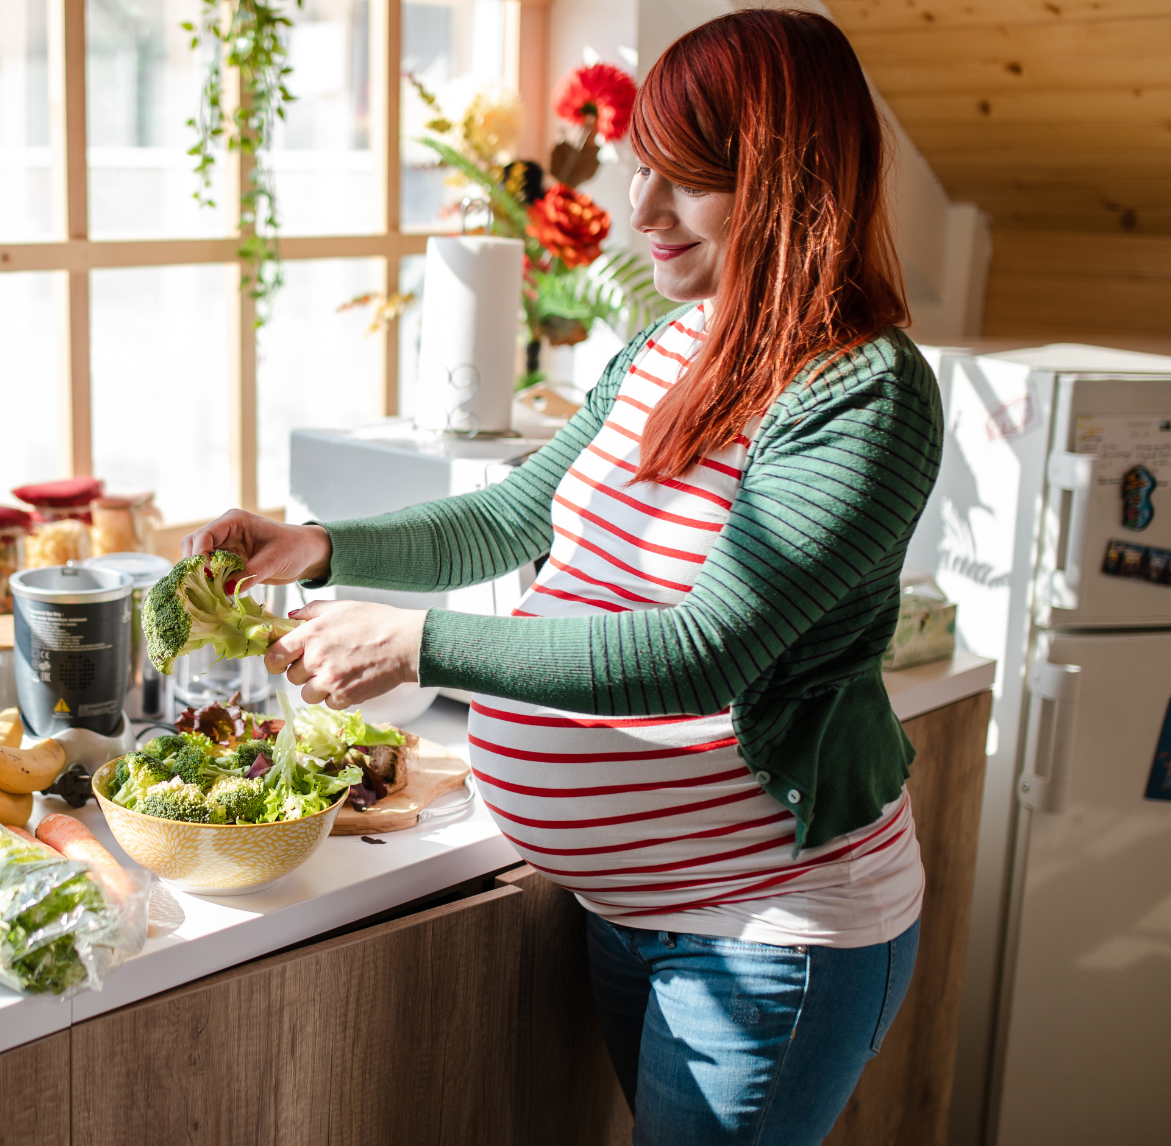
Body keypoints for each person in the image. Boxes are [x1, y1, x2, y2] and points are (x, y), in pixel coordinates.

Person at [184, 10, 939, 1144]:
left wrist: (416, 644)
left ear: (788, 179)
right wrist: (320, 545)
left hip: (769, 930)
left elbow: (703, 651)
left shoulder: (860, 395)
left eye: (685, 181)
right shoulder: (665, 349)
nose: (640, 215)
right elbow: (507, 513)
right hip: (628, 913)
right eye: (643, 171)